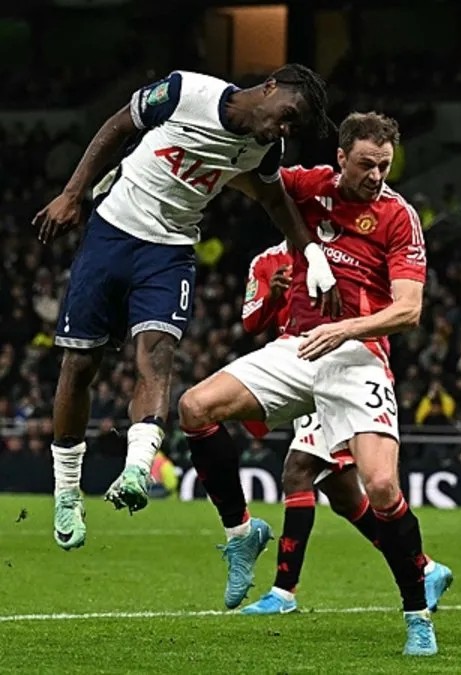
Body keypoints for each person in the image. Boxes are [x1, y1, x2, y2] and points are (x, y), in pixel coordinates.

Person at [39, 66, 339, 550]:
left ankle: (137, 470)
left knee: (156, 356)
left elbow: (273, 198)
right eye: (288, 116)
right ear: (270, 89)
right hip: (112, 230)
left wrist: (309, 251)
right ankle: (67, 493)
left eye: (293, 129)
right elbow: (118, 126)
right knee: (80, 364)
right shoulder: (184, 92)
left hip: (170, 250)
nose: (285, 130)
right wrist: (73, 194)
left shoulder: (265, 149)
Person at [175, 112, 440, 656]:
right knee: (195, 407)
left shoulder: (397, 215)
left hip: (358, 354)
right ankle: (242, 531)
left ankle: (417, 615)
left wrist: (345, 327)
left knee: (382, 489)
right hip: (296, 348)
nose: (376, 175)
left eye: (384, 166)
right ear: (341, 156)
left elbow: (409, 311)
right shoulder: (309, 185)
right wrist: (205, 153)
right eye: (366, 164)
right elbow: (251, 178)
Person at [235, 242, 452, 616]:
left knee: (298, 471)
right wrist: (274, 295)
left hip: (342, 367)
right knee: (344, 495)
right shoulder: (265, 260)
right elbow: (252, 322)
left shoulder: (342, 247)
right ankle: (425, 567)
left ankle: (283, 592)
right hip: (298, 366)